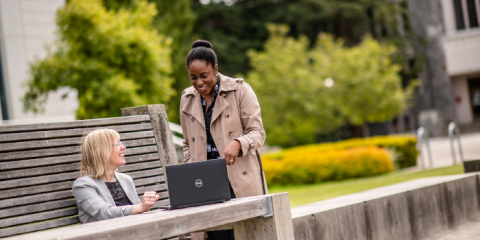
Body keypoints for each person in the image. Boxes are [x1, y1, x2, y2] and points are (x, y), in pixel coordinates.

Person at [180, 40, 267, 240]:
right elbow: (187, 144)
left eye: (204, 76)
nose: (199, 83)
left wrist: (238, 143)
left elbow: (258, 132)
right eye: (193, 77)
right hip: (204, 184)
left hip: (239, 180)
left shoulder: (240, 91)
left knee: (245, 234)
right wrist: (189, 171)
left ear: (216, 69)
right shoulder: (187, 99)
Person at [73, 129, 159, 224]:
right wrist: (141, 207)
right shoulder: (83, 185)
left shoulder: (126, 180)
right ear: (100, 151)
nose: (123, 147)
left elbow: (139, 213)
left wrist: (145, 204)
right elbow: (104, 213)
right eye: (117, 144)